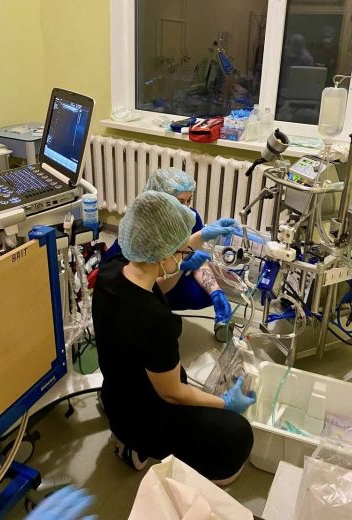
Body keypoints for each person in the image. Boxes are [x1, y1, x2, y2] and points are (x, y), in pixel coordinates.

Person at [92, 191, 255, 484]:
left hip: (117, 394)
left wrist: (197, 241)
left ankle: (130, 437)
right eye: (181, 253)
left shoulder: (111, 270)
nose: (183, 258)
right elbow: (172, 393)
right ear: (163, 254)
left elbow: (155, 282)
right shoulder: (153, 319)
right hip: (142, 416)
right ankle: (137, 443)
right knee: (237, 435)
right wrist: (226, 403)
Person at [105, 168, 238, 339]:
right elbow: (148, 286)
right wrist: (182, 262)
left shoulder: (190, 218)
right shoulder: (143, 228)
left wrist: (216, 292)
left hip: (164, 273)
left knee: (203, 295)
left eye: (189, 201)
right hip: (137, 287)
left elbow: (196, 258)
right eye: (180, 201)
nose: (186, 208)